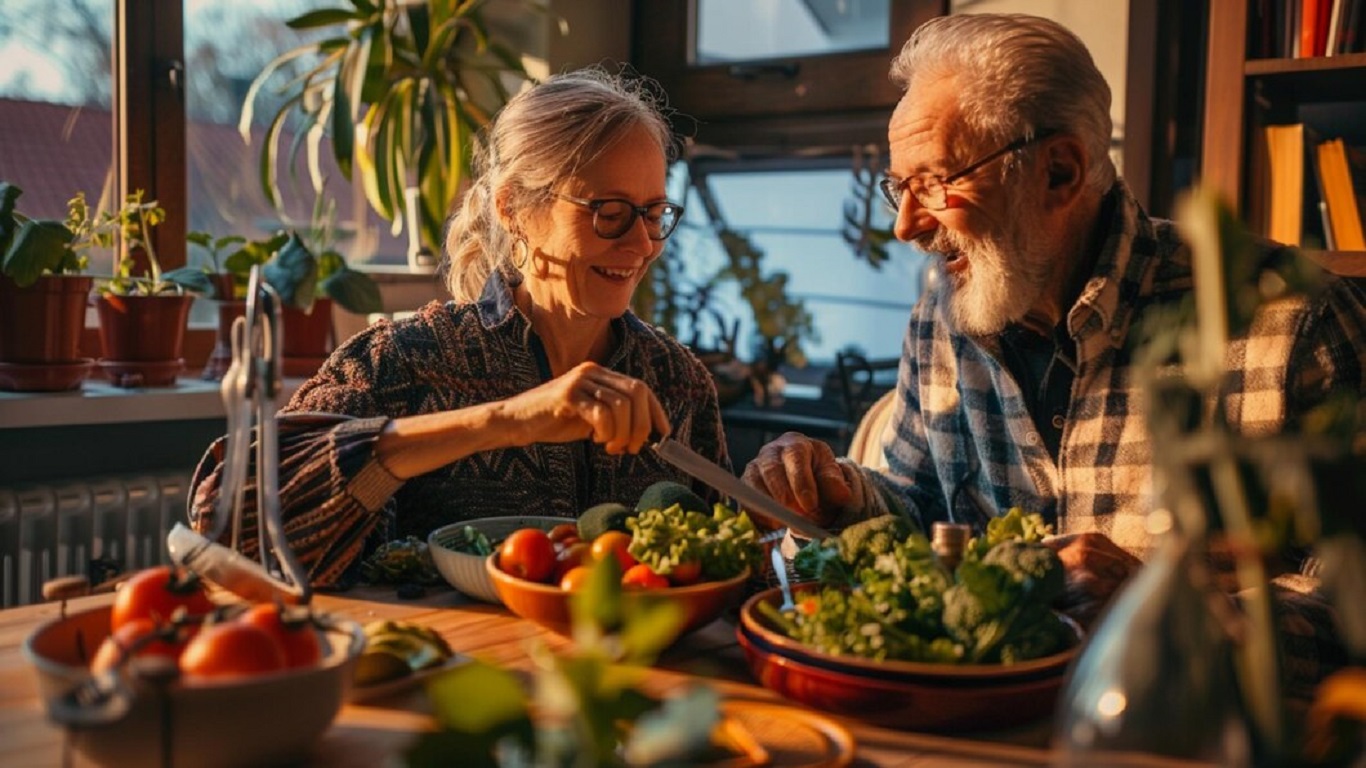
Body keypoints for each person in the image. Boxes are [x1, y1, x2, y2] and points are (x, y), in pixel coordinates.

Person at [743, 14, 1365, 700]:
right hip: (974, 729)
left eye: (934, 183)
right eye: (900, 186)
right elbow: (920, 514)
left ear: (1060, 171)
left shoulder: (1292, 322)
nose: (905, 226)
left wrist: (1163, 611)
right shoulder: (942, 318)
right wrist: (840, 499)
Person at [188, 68, 729, 587]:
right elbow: (226, 524)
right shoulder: (401, 364)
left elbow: (731, 560)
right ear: (514, 208)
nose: (642, 245)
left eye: (654, 212)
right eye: (608, 211)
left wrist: (782, 500)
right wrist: (504, 420)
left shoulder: (677, 382)